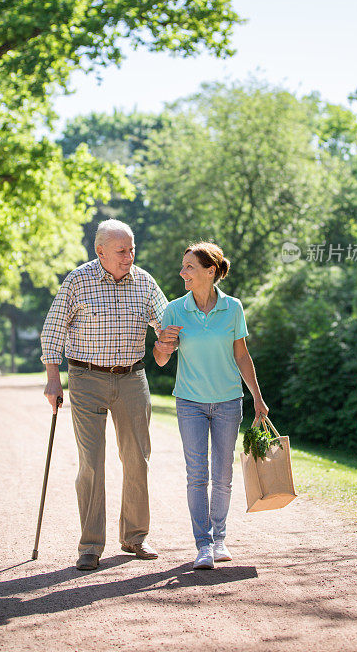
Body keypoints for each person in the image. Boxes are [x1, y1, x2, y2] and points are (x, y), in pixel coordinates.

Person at [41, 219, 168, 571]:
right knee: (92, 463)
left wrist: (167, 339)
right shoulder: (78, 280)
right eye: (121, 251)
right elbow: (53, 329)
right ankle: (90, 545)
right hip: (85, 377)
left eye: (132, 249)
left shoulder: (144, 281)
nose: (129, 257)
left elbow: (165, 321)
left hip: (132, 377)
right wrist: (53, 378)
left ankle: (135, 537)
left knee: (137, 458)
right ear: (100, 252)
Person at [154, 241, 269, 570]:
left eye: (189, 267)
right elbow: (161, 360)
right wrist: (163, 344)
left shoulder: (233, 308)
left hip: (228, 401)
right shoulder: (175, 309)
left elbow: (242, 355)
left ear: (211, 271)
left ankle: (220, 539)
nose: (182, 272)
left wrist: (258, 398)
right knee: (197, 476)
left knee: (223, 475)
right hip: (189, 402)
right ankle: (202, 544)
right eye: (183, 266)